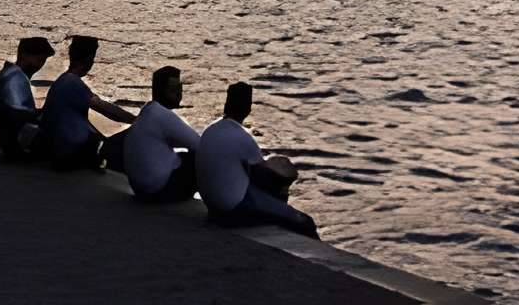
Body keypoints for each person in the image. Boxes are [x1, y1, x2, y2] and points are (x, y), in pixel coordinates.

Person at [196, 82, 315, 235]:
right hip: (232, 209)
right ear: (248, 108)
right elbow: (264, 176)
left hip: (212, 206)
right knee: (304, 221)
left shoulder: (210, 130)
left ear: (227, 104)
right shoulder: (242, 136)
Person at [37, 34, 135, 171]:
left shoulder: (63, 80)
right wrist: (136, 120)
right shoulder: (72, 82)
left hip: (61, 145)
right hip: (69, 149)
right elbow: (103, 108)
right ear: (89, 59)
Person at [120, 66, 205, 204]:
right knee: (196, 158)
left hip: (140, 189)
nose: (179, 94)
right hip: (157, 192)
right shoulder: (161, 115)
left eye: (180, 88)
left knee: (184, 156)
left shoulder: (147, 111)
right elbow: (199, 144)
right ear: (160, 90)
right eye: (173, 89)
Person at [0, 36, 54, 158]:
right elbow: (21, 114)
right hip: (16, 146)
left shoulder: (14, 74)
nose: (40, 65)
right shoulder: (14, 78)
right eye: (39, 60)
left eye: (43, 61)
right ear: (24, 55)